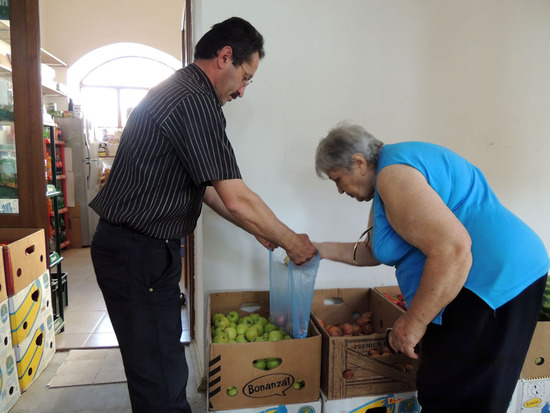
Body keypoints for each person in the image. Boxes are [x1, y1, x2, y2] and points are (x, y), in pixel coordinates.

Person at [88, 17, 317, 413]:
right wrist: (292, 241)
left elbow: (210, 190)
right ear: (224, 57)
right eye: (245, 77)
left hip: (138, 249)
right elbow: (236, 197)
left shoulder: (181, 91)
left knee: (159, 363)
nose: (243, 91)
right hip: (136, 251)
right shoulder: (193, 101)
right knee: (159, 374)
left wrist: (257, 230)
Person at [314, 122, 549, 413]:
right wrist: (317, 250)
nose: (339, 190)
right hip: (491, 274)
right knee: (450, 390)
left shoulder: (394, 176)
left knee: (459, 395)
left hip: (490, 280)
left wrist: (413, 324)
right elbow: (372, 252)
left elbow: (452, 250)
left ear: (358, 162)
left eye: (338, 179)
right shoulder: (392, 173)